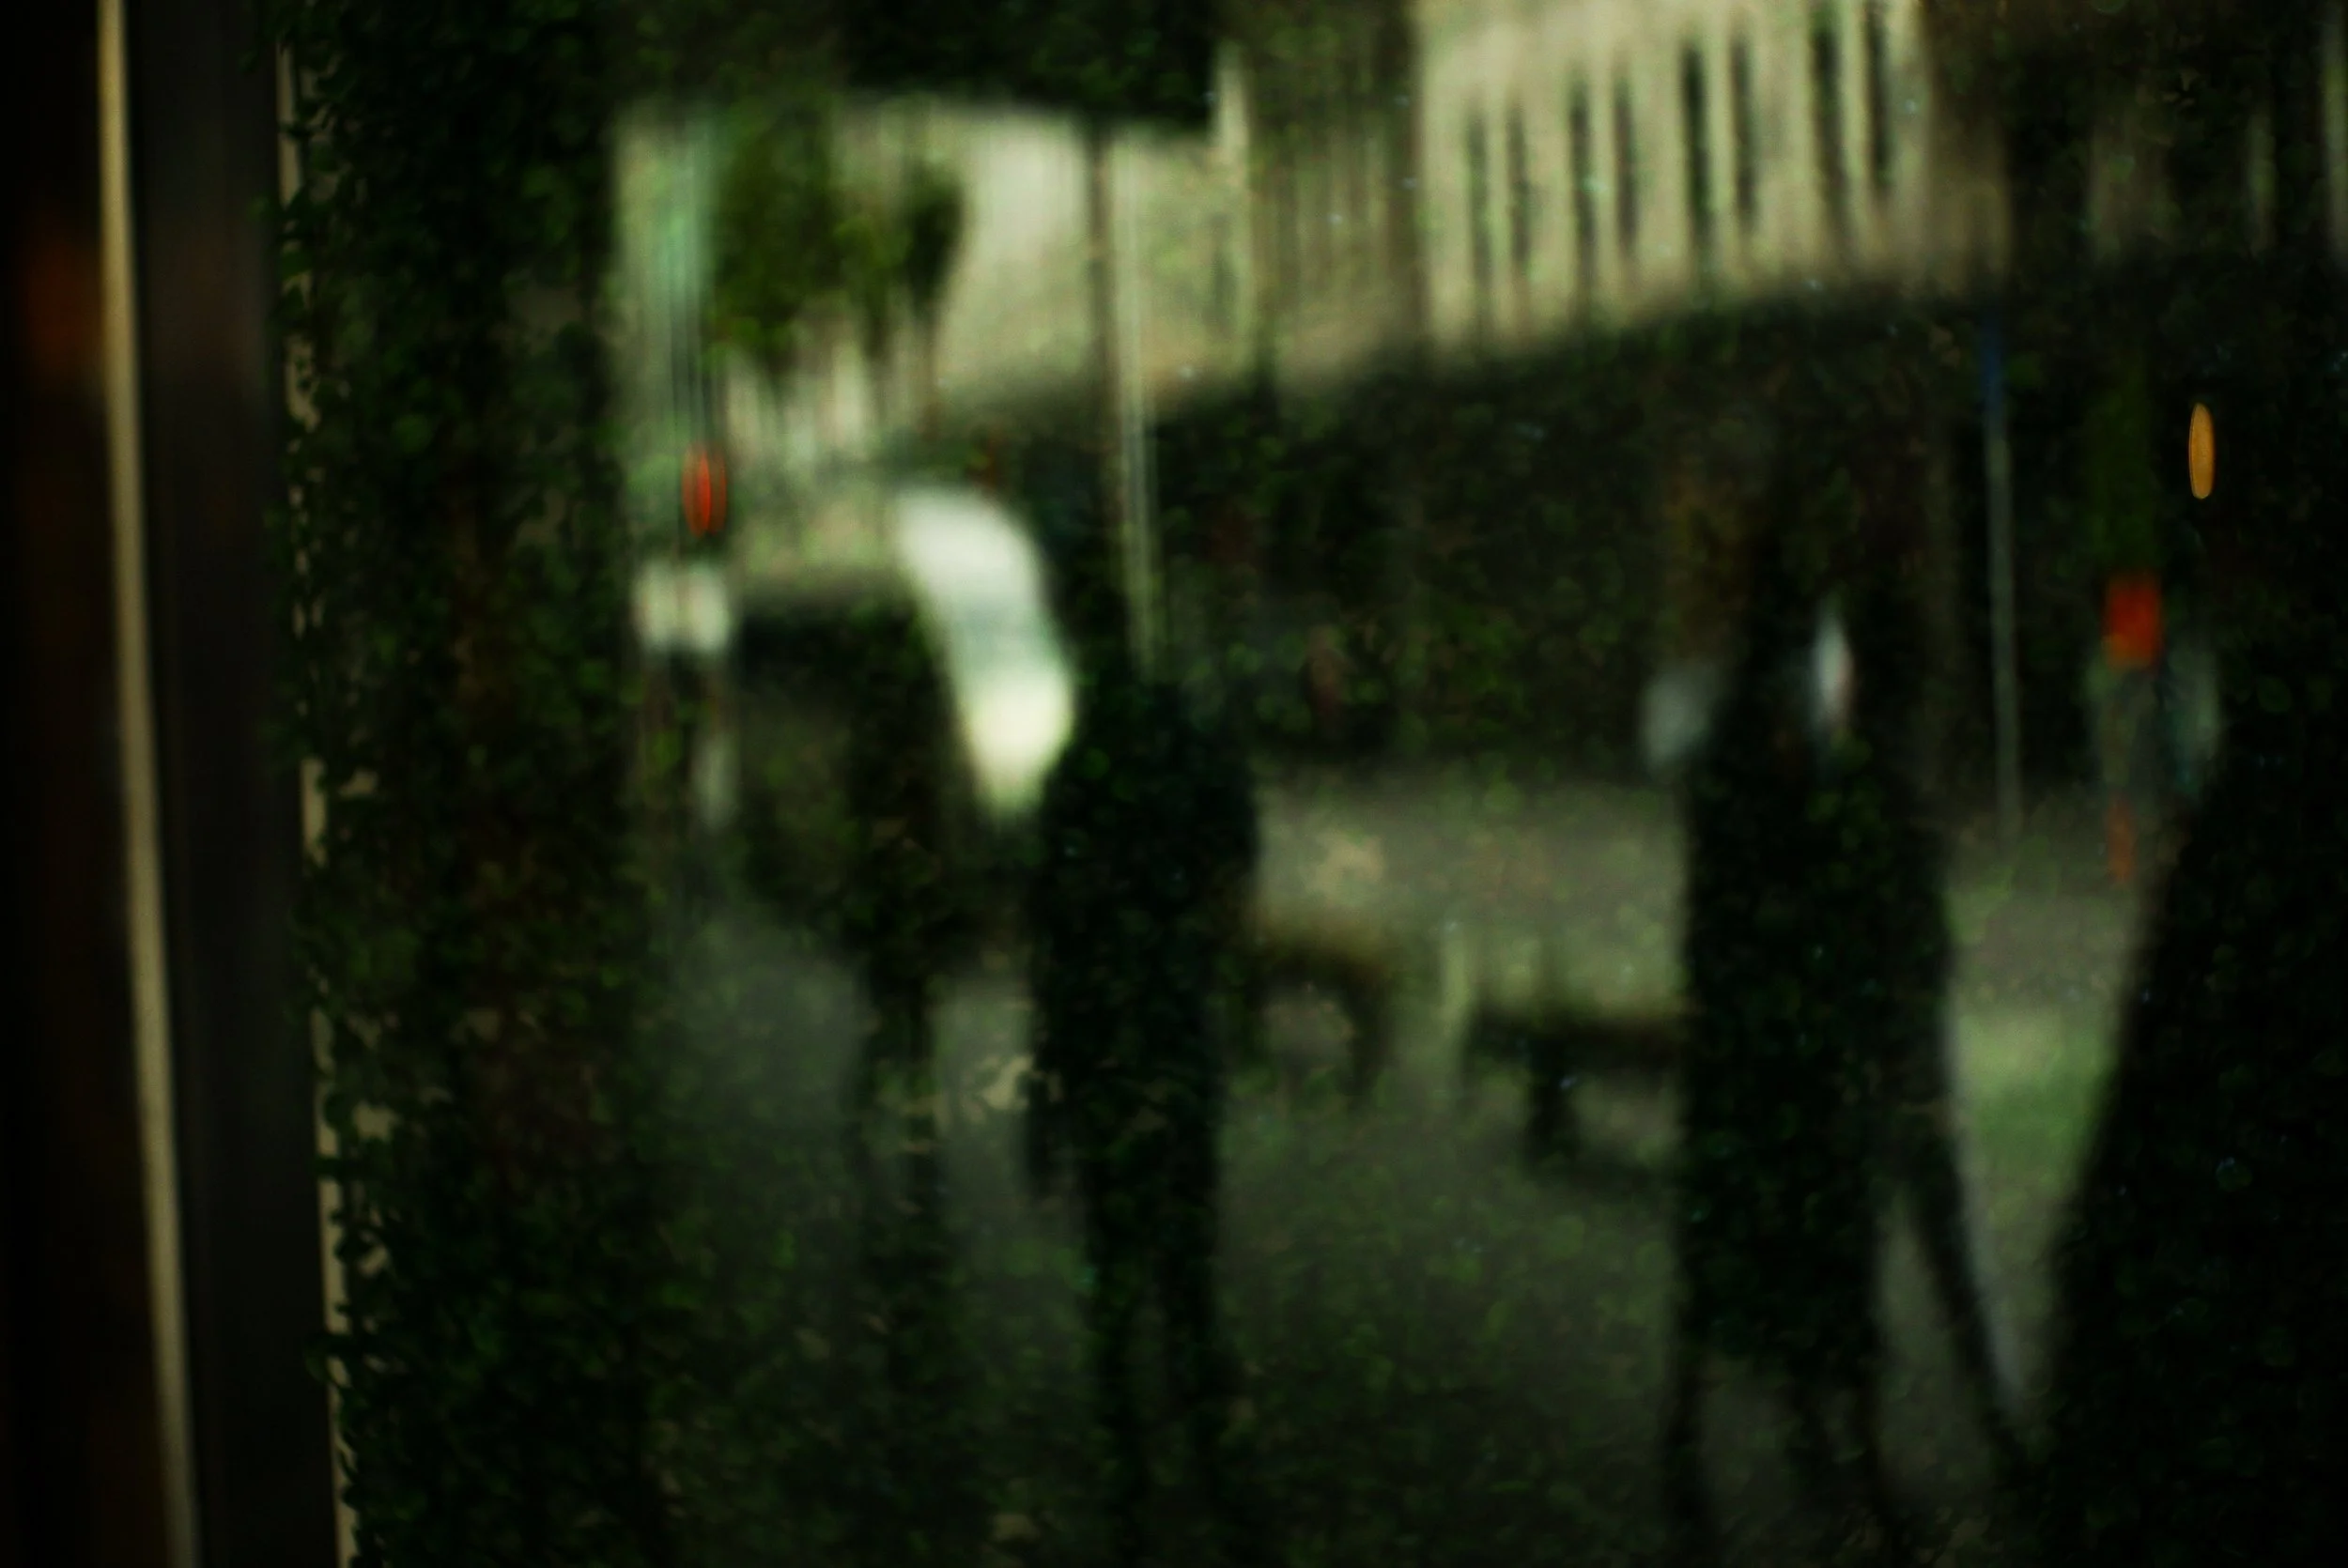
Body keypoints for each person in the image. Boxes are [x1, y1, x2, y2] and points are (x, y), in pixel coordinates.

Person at [1662, 510, 1904, 1565]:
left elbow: (1713, 913)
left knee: (1742, 1253)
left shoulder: (1735, 746)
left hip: (1756, 1041)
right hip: (1785, 1044)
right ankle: (1831, 1444)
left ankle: (1731, 1439)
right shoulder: (1784, 755)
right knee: (1808, 1251)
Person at [1024, 525, 1265, 1567]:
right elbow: (1231, 877)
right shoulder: (1186, 731)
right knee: (1186, 1254)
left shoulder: (1076, 764)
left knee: (1116, 1260)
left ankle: (1132, 1468)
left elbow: (1056, 935)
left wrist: (1047, 1089)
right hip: (1173, 1023)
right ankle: (1217, 1454)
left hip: (1102, 1039)